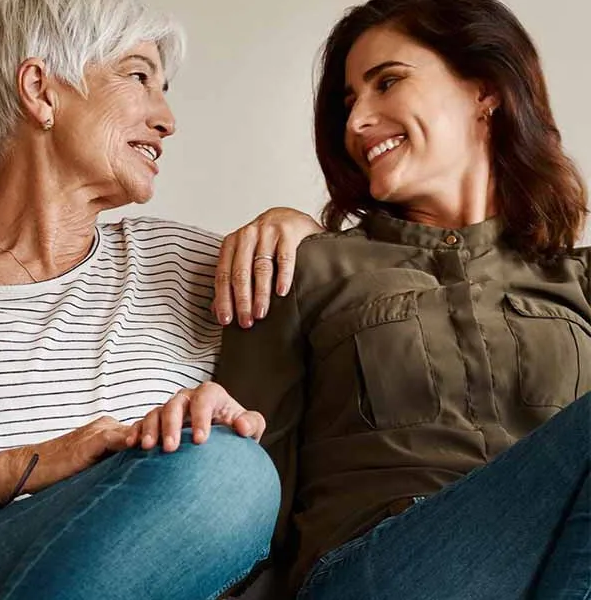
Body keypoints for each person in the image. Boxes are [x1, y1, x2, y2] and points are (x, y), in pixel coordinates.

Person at [0, 1, 323, 598]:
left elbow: (340, 282)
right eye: (139, 77)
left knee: (228, 470)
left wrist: (294, 226)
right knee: (228, 474)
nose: (167, 118)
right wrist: (31, 466)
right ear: (41, 91)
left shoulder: (186, 263)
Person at [142, 0, 591, 598]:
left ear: (485, 89)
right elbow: (248, 486)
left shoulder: (578, 277)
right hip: (379, 569)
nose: (357, 121)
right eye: (350, 101)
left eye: (388, 82)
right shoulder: (305, 266)